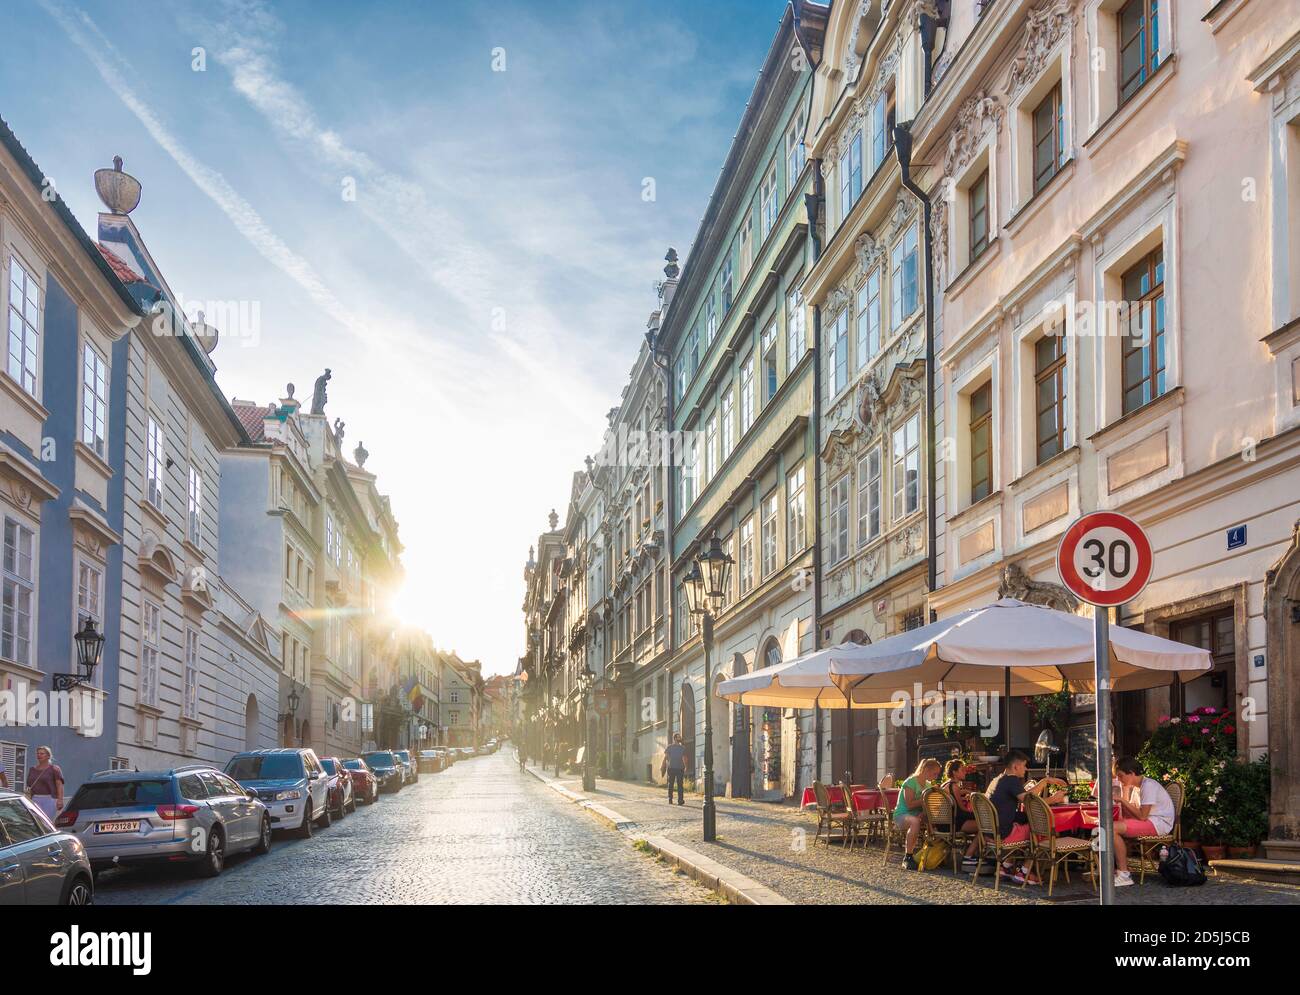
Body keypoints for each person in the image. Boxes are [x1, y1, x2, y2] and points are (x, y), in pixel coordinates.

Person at [984, 750, 1067, 884]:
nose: (1026, 768)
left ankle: (1005, 867)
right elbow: (1028, 802)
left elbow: (1026, 796)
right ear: (1016, 767)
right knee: (1042, 830)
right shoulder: (1011, 780)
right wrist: (1053, 799)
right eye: (1024, 765)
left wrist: (1045, 781)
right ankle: (1024, 871)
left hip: (990, 833)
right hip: (1004, 834)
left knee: (1026, 822)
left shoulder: (998, 779)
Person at [1103, 756, 1176, 888]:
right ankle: (1108, 869)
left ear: (1131, 773)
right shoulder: (1137, 787)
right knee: (1108, 825)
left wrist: (1123, 800)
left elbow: (1142, 816)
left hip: (1159, 823)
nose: (1118, 780)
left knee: (1110, 828)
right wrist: (1124, 792)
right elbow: (1132, 813)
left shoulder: (1148, 786)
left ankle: (1124, 874)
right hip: (1151, 820)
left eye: (1120, 776)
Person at [893, 758, 942, 869]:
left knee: (937, 820)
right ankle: (908, 857)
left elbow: (929, 805)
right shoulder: (910, 782)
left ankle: (933, 853)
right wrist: (926, 798)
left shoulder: (928, 785)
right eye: (935, 774)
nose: (936, 777)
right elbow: (909, 805)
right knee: (915, 822)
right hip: (902, 815)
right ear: (926, 770)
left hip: (917, 816)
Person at [26, 746, 64, 822]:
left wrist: (60, 800)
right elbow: (29, 785)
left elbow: (59, 785)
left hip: (49, 799)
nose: (39, 755)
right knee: (35, 822)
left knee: (46, 822)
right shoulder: (32, 769)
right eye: (38, 753)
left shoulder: (54, 769)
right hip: (34, 799)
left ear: (48, 756)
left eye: (42, 753)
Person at [662, 733, 687, 805]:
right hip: (672, 768)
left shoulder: (682, 747)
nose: (680, 738)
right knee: (671, 784)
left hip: (679, 768)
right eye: (679, 737)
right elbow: (666, 756)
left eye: (680, 737)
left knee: (680, 785)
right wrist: (669, 761)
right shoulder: (670, 747)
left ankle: (680, 800)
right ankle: (670, 799)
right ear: (675, 738)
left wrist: (685, 766)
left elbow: (684, 758)